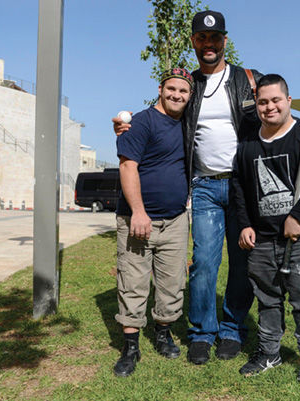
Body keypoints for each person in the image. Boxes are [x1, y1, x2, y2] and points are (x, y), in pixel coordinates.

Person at [112, 10, 300, 365]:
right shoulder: (190, 85)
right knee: (203, 263)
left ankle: (231, 329)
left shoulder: (248, 79)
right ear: (194, 43)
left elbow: (277, 111)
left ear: (225, 41)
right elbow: (163, 113)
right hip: (204, 187)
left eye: (215, 38)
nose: (208, 44)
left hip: (246, 186)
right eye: (201, 38)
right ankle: (201, 333)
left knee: (244, 261)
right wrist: (127, 126)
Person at [231, 74, 300, 383]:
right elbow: (240, 185)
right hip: (262, 237)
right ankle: (269, 352)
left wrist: (298, 217)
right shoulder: (248, 142)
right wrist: (245, 224)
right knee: (267, 298)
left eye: (276, 100)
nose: (269, 107)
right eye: (263, 102)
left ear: (289, 101)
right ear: (256, 105)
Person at [113, 68, 193, 377]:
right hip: (137, 218)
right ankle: (131, 346)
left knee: (172, 284)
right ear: (160, 89)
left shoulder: (187, 124)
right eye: (171, 88)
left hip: (175, 221)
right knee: (133, 283)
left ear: (189, 96)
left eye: (183, 91)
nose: (176, 95)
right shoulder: (142, 122)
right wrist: (139, 211)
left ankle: (163, 333)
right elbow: (127, 166)